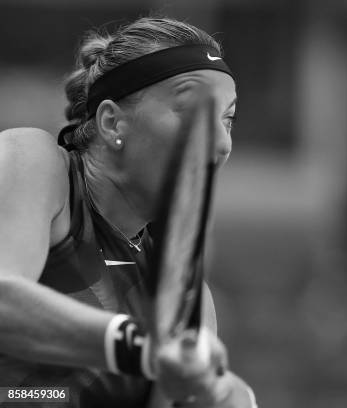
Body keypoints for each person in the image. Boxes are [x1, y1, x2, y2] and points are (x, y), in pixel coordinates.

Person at [0, 16, 256, 408]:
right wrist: (141, 347)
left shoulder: (188, 294)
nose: (222, 143)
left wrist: (224, 394)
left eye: (228, 119)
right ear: (111, 121)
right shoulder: (33, 161)